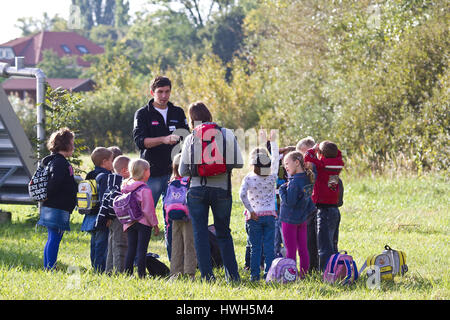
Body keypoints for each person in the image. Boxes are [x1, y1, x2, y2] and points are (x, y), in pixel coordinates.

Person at [179, 101, 243, 282]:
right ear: (209, 115)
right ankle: (233, 276)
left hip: (197, 190)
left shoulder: (191, 137)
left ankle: (207, 276)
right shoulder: (226, 133)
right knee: (223, 232)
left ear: (192, 120)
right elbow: (238, 163)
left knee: (199, 233)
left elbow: (183, 171)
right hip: (222, 189)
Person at [133, 76, 190, 260]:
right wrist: (164, 139)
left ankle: (175, 263)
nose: (164, 95)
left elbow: (187, 137)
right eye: (160, 92)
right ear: (152, 92)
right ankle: (138, 261)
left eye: (167, 91)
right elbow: (140, 142)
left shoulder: (178, 112)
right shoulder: (143, 113)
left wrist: (180, 137)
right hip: (150, 174)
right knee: (143, 218)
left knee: (173, 218)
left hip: (174, 174)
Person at [239, 129, 279, 281]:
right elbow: (275, 159)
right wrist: (272, 142)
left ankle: (254, 276)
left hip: (254, 216)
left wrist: (250, 210)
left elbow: (242, 194)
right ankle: (269, 275)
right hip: (269, 215)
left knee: (255, 248)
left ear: (253, 164)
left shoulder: (249, 178)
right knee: (269, 248)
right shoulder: (272, 176)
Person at [37, 127, 77, 270]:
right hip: (57, 207)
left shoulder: (56, 161)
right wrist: (49, 196)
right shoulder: (60, 163)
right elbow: (55, 182)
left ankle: (48, 266)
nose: (73, 146)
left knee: (52, 237)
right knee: (54, 238)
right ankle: (50, 267)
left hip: (55, 206)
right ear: (65, 144)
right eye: (72, 143)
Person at [304, 141, 344, 272]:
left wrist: (312, 149)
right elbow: (338, 153)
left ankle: (326, 272)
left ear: (320, 154)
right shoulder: (337, 164)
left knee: (323, 246)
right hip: (334, 210)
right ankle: (335, 267)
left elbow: (307, 158)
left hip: (323, 210)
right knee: (332, 242)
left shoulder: (321, 166)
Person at [279, 151, 316, 278]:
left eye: (287, 163)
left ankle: (291, 275)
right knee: (303, 249)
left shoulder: (294, 183)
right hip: (302, 220)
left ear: (297, 162)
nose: (286, 167)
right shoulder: (307, 178)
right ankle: (304, 274)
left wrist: (282, 190)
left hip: (289, 220)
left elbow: (290, 202)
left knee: (290, 249)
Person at [122, 159, 160, 278]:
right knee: (142, 249)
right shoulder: (145, 189)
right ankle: (141, 274)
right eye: (148, 169)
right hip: (143, 223)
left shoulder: (125, 186)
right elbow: (148, 210)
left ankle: (128, 273)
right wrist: (155, 224)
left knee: (131, 248)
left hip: (129, 222)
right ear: (144, 172)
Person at [80, 147, 114, 273]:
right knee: (101, 243)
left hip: (89, 214)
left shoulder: (90, 174)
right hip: (101, 215)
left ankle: (94, 265)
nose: (113, 163)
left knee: (94, 243)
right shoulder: (105, 176)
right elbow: (106, 197)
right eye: (111, 160)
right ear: (104, 162)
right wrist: (108, 216)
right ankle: (100, 269)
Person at [166, 153, 197, 280]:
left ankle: (175, 273)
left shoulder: (172, 182)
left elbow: (166, 202)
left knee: (176, 244)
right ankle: (190, 273)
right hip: (188, 217)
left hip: (174, 217)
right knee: (189, 244)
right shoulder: (190, 182)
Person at [99, 155, 131, 274]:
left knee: (112, 245)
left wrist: (107, 216)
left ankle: (109, 270)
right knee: (120, 245)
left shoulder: (111, 182)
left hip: (111, 218)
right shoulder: (121, 185)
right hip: (119, 218)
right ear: (124, 170)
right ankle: (119, 271)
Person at [296, 136, 319, 272]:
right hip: (307, 209)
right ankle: (312, 266)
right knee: (308, 239)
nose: (303, 160)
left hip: (314, 208)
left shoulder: (316, 168)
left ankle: (313, 267)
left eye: (304, 155)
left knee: (312, 239)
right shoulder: (305, 169)